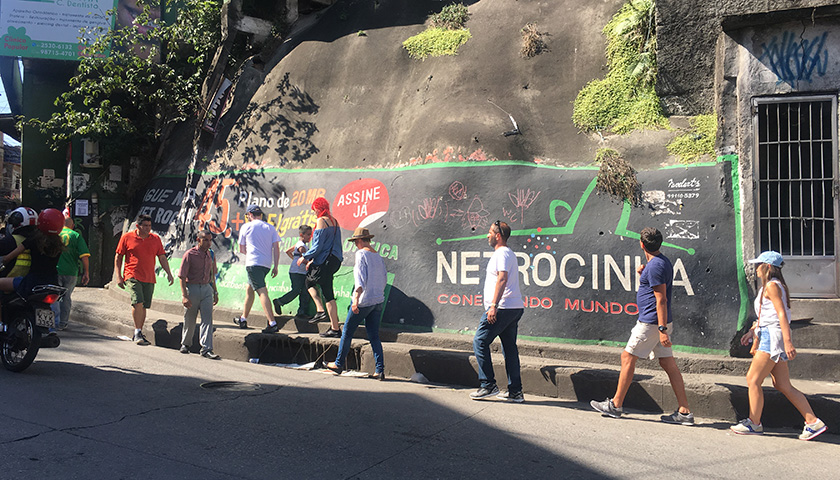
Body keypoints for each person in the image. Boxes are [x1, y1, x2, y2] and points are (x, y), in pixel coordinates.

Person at [591, 227, 694, 424]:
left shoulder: (655, 266)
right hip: (658, 323)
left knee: (627, 356)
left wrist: (662, 330)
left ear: (641, 244)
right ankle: (684, 412)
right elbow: (653, 287)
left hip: (652, 323)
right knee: (667, 363)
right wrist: (643, 272)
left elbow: (661, 299)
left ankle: (615, 405)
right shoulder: (659, 263)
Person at [730, 251, 827, 440]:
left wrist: (788, 342)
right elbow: (769, 315)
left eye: (758, 264)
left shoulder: (772, 286)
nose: (755, 268)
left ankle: (754, 423)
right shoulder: (773, 285)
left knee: (753, 379)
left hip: (772, 338)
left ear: (767, 267)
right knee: (782, 384)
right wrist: (753, 330)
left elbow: (781, 314)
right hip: (772, 336)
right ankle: (813, 421)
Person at [470, 220, 525, 402]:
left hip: (502, 308)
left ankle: (488, 385)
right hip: (513, 308)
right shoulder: (508, 254)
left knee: (479, 341)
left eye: (490, 232)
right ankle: (515, 391)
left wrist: (493, 305)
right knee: (509, 349)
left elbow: (502, 279)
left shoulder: (501, 254)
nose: (487, 235)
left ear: (498, 235)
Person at [326, 227, 387, 380]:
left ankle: (339, 363)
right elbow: (384, 279)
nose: (355, 245)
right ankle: (379, 370)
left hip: (364, 300)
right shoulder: (378, 256)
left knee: (347, 330)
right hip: (378, 300)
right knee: (374, 335)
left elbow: (360, 279)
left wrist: (356, 301)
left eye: (355, 242)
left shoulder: (361, 254)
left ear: (359, 241)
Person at [115, 214, 174, 345]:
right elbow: (118, 257)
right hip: (132, 275)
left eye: (149, 226)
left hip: (149, 277)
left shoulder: (155, 239)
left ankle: (139, 331)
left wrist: (169, 273)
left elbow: (162, 257)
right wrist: (118, 276)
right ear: (138, 226)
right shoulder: (127, 237)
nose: (148, 229)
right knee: (138, 302)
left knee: (144, 306)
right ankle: (137, 332)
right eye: (145, 226)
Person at [0, 208, 65, 324]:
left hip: (32, 282)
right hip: (52, 282)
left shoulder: (33, 240)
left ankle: (1, 323)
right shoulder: (59, 243)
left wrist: (4, 260)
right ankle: (51, 329)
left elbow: (8, 257)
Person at [298, 197, 343, 338]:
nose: (314, 213)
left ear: (318, 208)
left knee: (309, 282)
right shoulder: (334, 221)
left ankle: (320, 311)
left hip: (325, 261)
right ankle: (335, 328)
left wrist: (305, 257)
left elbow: (318, 246)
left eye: (314, 210)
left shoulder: (321, 221)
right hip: (335, 260)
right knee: (328, 292)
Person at [234, 204, 281, 333]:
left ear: (249, 215)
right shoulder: (270, 227)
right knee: (249, 289)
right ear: (260, 214)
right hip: (266, 264)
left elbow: (241, 248)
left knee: (261, 291)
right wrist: (275, 265)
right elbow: (276, 248)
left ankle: (272, 323)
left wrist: (252, 254)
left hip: (253, 264)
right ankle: (243, 319)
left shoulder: (246, 226)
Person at [178, 229, 220, 359]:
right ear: (198, 240)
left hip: (207, 289)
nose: (208, 243)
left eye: (210, 240)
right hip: (193, 288)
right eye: (205, 240)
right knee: (190, 318)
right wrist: (184, 295)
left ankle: (206, 348)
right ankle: (185, 344)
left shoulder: (211, 255)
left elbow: (212, 275)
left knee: (207, 319)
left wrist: (215, 291)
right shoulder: (190, 254)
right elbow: (182, 276)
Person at [272, 224, 315, 319]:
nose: (310, 236)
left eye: (310, 234)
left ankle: (301, 312)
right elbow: (303, 258)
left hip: (299, 271)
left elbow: (288, 251)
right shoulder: (302, 246)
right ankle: (279, 301)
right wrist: (309, 263)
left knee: (304, 291)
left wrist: (294, 260)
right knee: (296, 290)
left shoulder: (298, 243)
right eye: (308, 234)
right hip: (298, 272)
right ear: (301, 235)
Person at [54, 215, 90, 330]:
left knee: (54, 296)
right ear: (73, 226)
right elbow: (84, 256)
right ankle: (63, 322)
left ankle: (54, 321)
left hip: (56, 270)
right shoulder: (76, 235)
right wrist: (86, 272)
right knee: (66, 297)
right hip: (71, 272)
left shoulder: (55, 235)